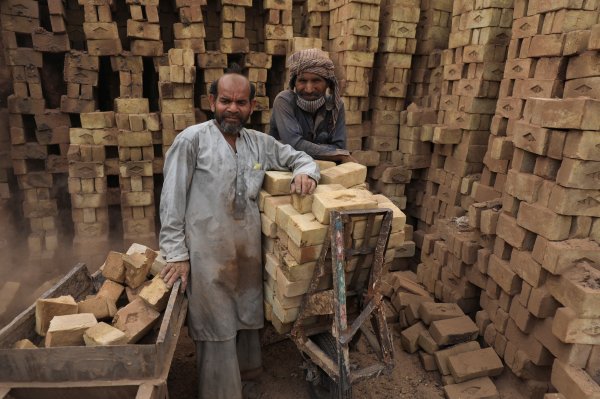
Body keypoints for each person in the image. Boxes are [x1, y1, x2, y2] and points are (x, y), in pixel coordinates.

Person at [158, 69, 320, 399]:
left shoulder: (259, 144)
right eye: (225, 101)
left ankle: (249, 386)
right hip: (208, 258)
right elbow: (170, 201)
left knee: (247, 323)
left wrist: (306, 174)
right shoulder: (191, 141)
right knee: (216, 330)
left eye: (240, 102)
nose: (232, 108)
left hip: (247, 256)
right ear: (211, 102)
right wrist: (177, 255)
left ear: (252, 106)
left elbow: (299, 157)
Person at [269, 48, 355, 162]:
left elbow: (339, 147)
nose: (309, 89)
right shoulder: (284, 101)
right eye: (302, 81)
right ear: (294, 82)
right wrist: (332, 153)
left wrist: (310, 149)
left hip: (323, 170)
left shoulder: (336, 105)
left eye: (316, 81)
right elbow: (293, 144)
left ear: (328, 83)